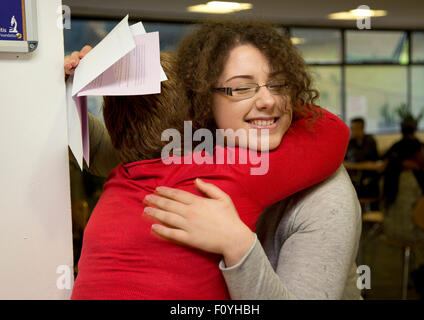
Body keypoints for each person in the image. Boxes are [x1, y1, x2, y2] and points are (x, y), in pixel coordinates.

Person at [65, 19, 362, 299]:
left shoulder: (326, 195)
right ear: (202, 101)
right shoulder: (189, 154)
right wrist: (66, 84)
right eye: (241, 87)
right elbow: (102, 146)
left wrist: (237, 244)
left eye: (280, 84)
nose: (268, 100)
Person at [344, 117, 381, 210]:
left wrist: (353, 165)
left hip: (369, 180)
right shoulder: (350, 142)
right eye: (351, 128)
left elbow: (372, 164)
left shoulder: (369, 141)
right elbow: (343, 162)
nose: (351, 130)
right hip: (354, 179)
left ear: (361, 128)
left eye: (353, 128)